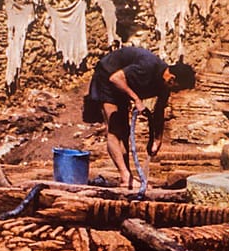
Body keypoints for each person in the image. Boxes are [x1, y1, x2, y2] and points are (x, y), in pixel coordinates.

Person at [81, 44, 197, 189]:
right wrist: (136, 99)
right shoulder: (148, 67)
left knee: (124, 132)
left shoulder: (165, 85)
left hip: (121, 87)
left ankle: (127, 176)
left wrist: (157, 139)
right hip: (106, 77)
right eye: (177, 88)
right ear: (172, 79)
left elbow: (159, 111)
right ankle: (125, 176)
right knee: (114, 130)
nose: (175, 91)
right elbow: (115, 79)